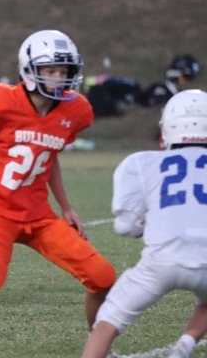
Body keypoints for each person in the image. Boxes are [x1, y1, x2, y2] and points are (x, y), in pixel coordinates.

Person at [0, 30, 117, 358]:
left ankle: (99, 348)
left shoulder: (74, 110)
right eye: (50, 70)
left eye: (64, 71)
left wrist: (66, 207)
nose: (58, 78)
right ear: (29, 70)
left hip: (40, 217)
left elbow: (49, 156)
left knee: (103, 277)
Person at [82, 89, 207, 358]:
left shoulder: (142, 162)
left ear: (168, 127)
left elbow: (125, 227)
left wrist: (147, 225)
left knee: (106, 322)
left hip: (162, 260)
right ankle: (184, 347)